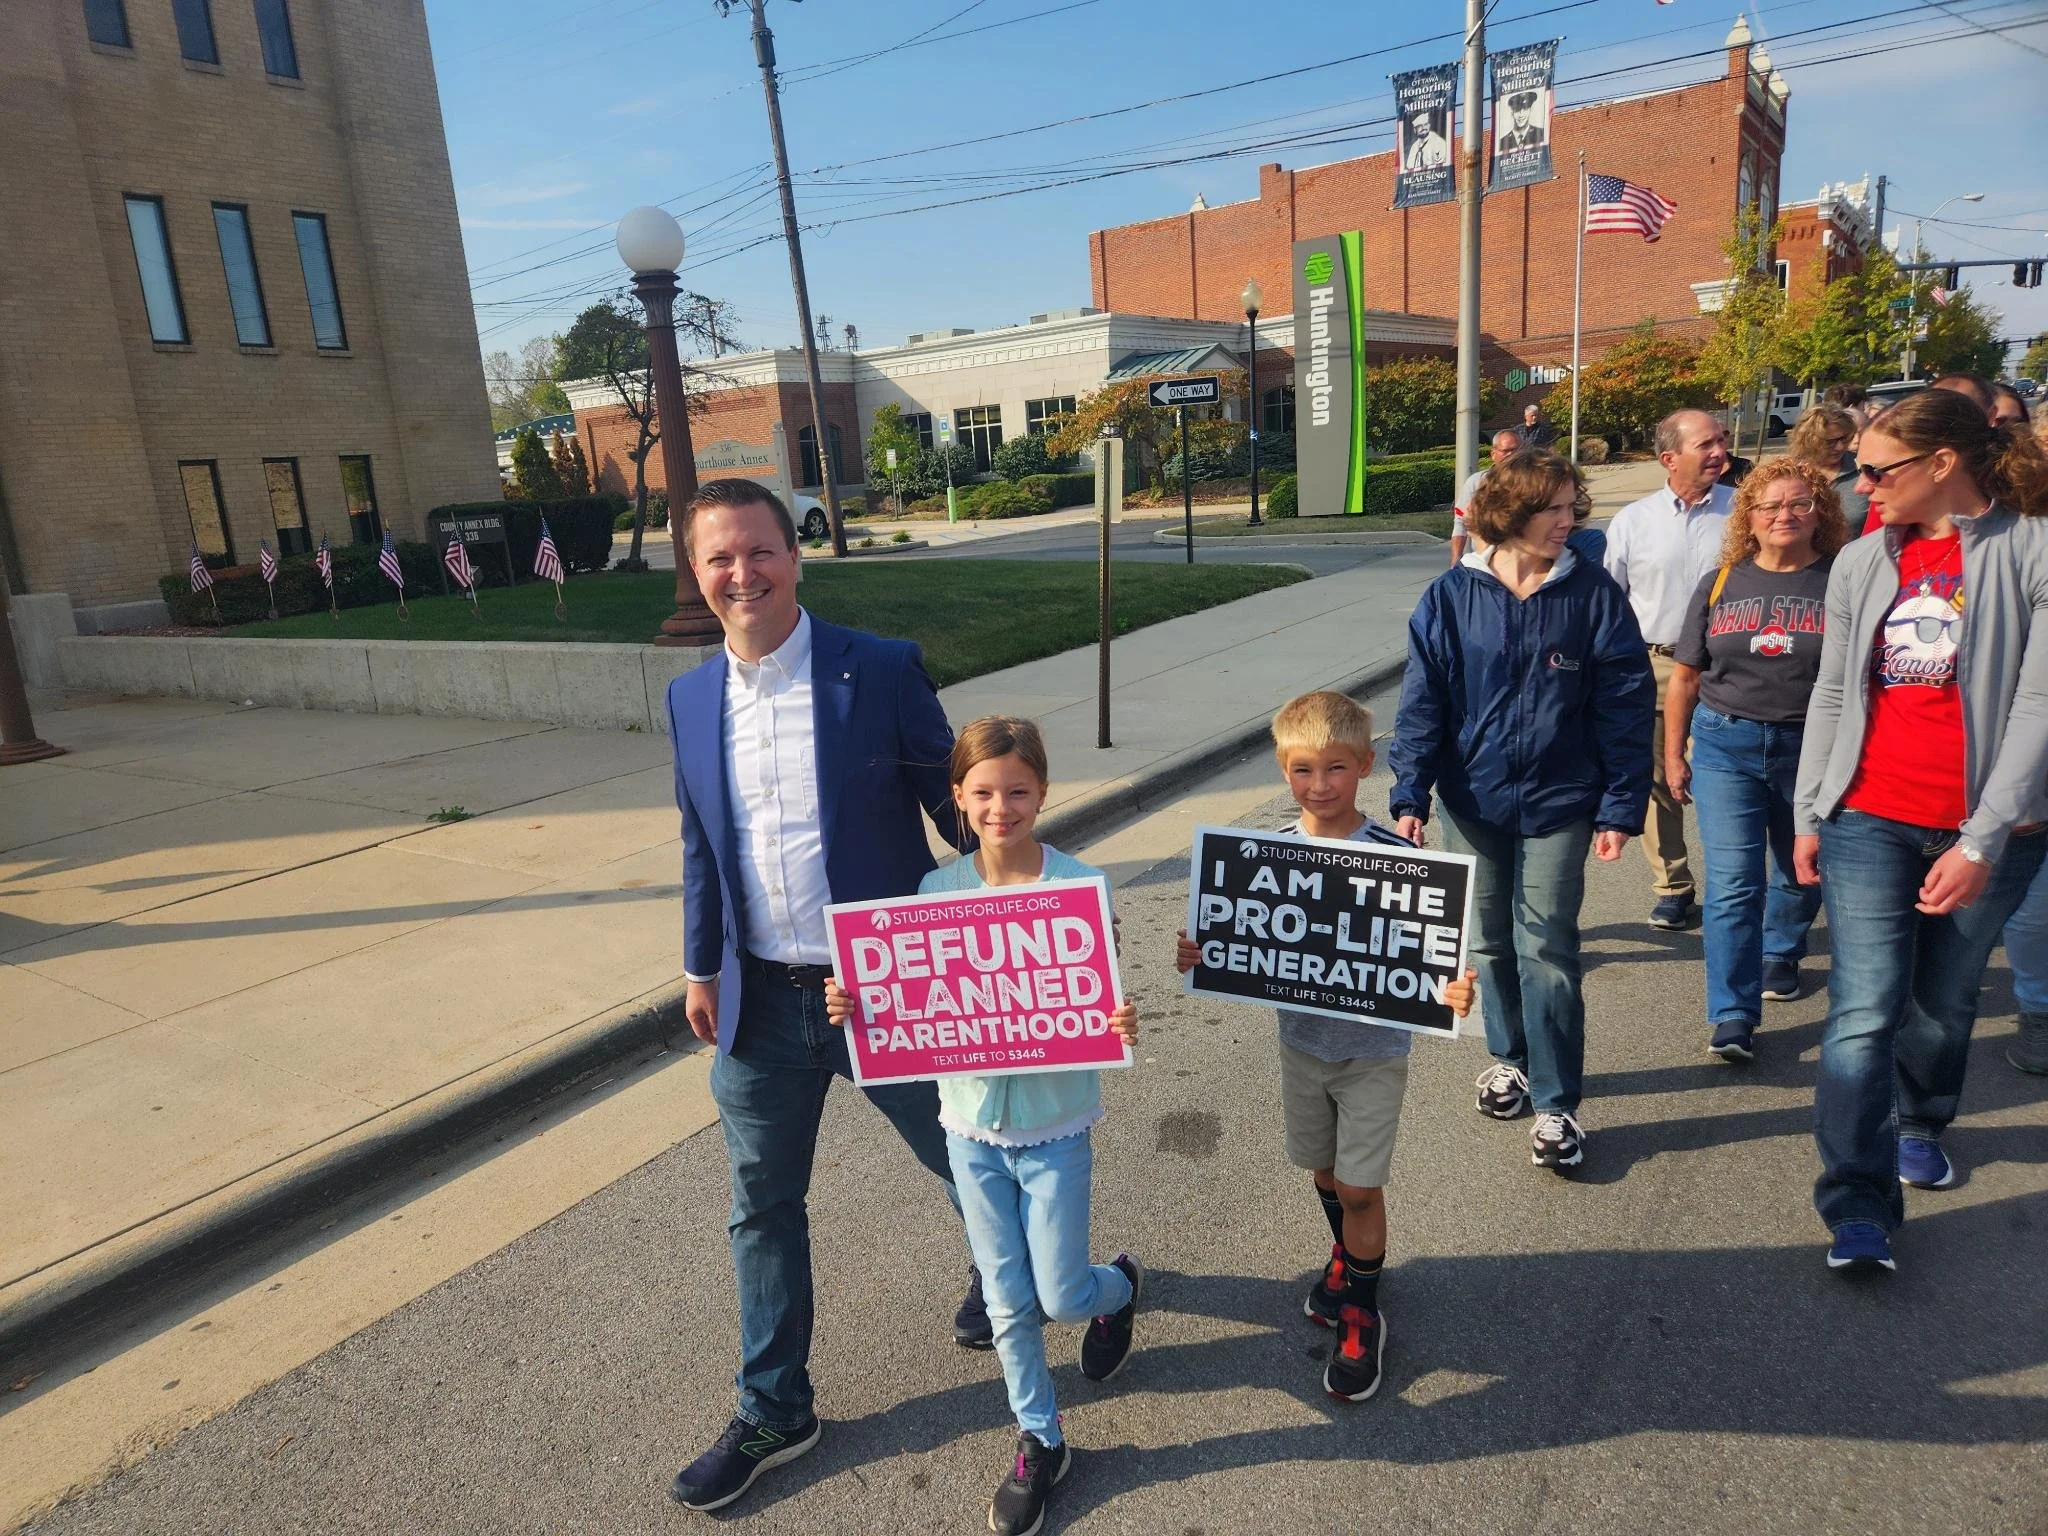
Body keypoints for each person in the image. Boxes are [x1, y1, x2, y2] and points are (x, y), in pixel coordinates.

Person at [664, 478, 988, 1514]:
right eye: (719, 557)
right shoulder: (685, 698)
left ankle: (1027, 1276)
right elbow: (700, 842)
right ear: (696, 571)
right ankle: (774, 1407)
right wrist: (699, 961)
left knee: (968, 1156)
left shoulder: (878, 670)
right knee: (760, 1207)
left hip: (884, 980)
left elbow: (957, 809)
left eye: (758, 550)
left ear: (792, 554)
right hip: (761, 999)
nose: (740, 573)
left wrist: (1025, 888)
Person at [826, 716, 1141, 1536]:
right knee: (1007, 1302)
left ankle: (1121, 1288)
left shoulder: (1079, 886)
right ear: (959, 799)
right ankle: (1041, 1437)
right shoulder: (936, 896)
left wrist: (1117, 1017)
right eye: (983, 793)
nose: (1001, 807)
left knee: (1062, 1294)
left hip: (1057, 1126)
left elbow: (1094, 992)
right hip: (967, 1127)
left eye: (1018, 792)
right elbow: (909, 998)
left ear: (1042, 792)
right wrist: (860, 1003)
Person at [1792, 389, 2048, 1274]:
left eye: (1878, 470)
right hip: (1870, 814)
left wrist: (1983, 840)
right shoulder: (1864, 560)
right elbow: (1833, 691)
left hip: (2001, 829)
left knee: (1943, 1005)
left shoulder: (2032, 548)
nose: (1861, 486)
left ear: (1943, 465)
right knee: (1863, 1010)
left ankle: (1922, 1121)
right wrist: (1811, 809)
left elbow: (2038, 703)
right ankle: (1858, 1205)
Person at [1173, 692, 1475, 1401]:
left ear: (1366, 766)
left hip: (1374, 1053)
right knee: (1322, 1173)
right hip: (1301, 1045)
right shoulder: (1261, 860)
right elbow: (1234, 942)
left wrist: (1457, 993)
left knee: (1361, 1186)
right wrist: (1199, 952)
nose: (1319, 785)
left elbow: (1441, 963)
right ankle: (1345, 1257)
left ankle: (1363, 1310)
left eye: (1336, 768)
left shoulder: (1399, 861)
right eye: (1303, 769)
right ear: (1284, 769)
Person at [1391, 450, 1655, 1172]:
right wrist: (1410, 792)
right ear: (1509, 513)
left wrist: (1619, 806)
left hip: (1561, 802)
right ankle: (1508, 1057)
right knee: (1488, 940)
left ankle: (1557, 1102)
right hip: (1471, 799)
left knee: (1547, 945)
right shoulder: (1449, 597)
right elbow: (1423, 704)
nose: (1569, 522)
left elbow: (1626, 706)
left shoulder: (1592, 594)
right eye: (1554, 510)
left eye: (1575, 508)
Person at [1663, 460, 1846, 1060]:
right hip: (1725, 745)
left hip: (1810, 751)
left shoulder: (1842, 579)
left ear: (1819, 510)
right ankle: (1732, 1016)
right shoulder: (1721, 582)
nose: (1784, 516)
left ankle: (1781, 950)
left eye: (1798, 504)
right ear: (1751, 517)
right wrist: (1674, 754)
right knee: (1733, 887)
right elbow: (1685, 675)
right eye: (1769, 506)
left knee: (1798, 872)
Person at [1604, 409, 1736, 930]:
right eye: (1705, 444)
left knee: (1729, 779)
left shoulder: (1743, 512)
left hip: (1730, 667)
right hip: (1655, 665)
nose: (1718, 452)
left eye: (1721, 441)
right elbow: (1611, 603)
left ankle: (1738, 888)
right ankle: (1674, 886)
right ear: (1669, 458)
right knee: (1660, 779)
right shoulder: (1633, 521)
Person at [1788, 403, 1868, 529]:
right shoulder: (1790, 474)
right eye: (1830, 442)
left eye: (1844, 439)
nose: (1840, 447)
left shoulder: (1864, 469)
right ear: (1808, 441)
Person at [1451, 429, 1521, 564]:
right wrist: (1456, 559)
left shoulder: (1532, 483)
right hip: (1485, 560)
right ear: (1493, 454)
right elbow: (1461, 521)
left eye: (1516, 450)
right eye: (1506, 451)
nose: (1512, 455)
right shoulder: (1476, 482)